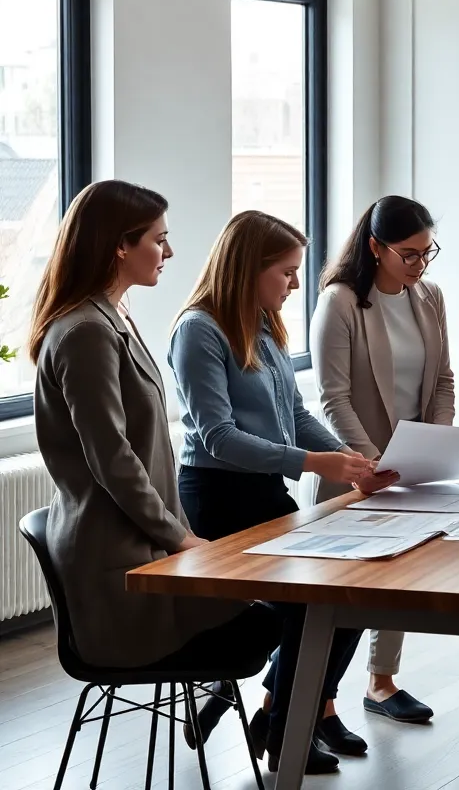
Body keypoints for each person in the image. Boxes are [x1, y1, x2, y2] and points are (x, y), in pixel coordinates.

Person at [30, 181, 281, 751]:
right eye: (158, 240)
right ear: (121, 246)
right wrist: (181, 539)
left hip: (141, 548)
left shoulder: (109, 316)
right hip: (120, 567)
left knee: (279, 602)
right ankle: (284, 735)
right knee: (274, 615)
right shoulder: (87, 330)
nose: (168, 253)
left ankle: (283, 728)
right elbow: (113, 459)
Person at [170, 211, 381, 776]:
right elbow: (217, 437)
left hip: (264, 488)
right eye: (286, 272)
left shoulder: (263, 324)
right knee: (311, 603)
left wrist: (356, 462)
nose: (294, 283)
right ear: (250, 267)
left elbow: (293, 413)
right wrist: (314, 461)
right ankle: (287, 723)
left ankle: (277, 713)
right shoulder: (199, 329)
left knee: (353, 595)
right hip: (219, 494)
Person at [309, 195, 452, 724]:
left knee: (401, 572)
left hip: (413, 461)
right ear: (375, 247)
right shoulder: (341, 302)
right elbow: (333, 398)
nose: (419, 264)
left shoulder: (429, 296)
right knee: (342, 595)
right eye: (409, 254)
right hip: (358, 468)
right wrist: (372, 465)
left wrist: (434, 448)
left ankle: (381, 683)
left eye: (426, 252)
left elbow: (441, 381)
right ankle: (314, 705)